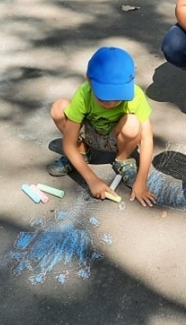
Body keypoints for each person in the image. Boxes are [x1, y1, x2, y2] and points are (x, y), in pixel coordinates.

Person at [48, 47, 155, 207]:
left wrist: (141, 180)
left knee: (133, 123)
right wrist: (92, 180)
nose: (111, 104)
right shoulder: (84, 94)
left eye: (118, 97)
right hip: (90, 134)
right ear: (89, 81)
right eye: (104, 98)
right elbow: (68, 144)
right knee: (59, 107)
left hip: (116, 138)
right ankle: (82, 151)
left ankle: (123, 159)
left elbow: (147, 138)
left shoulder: (136, 94)